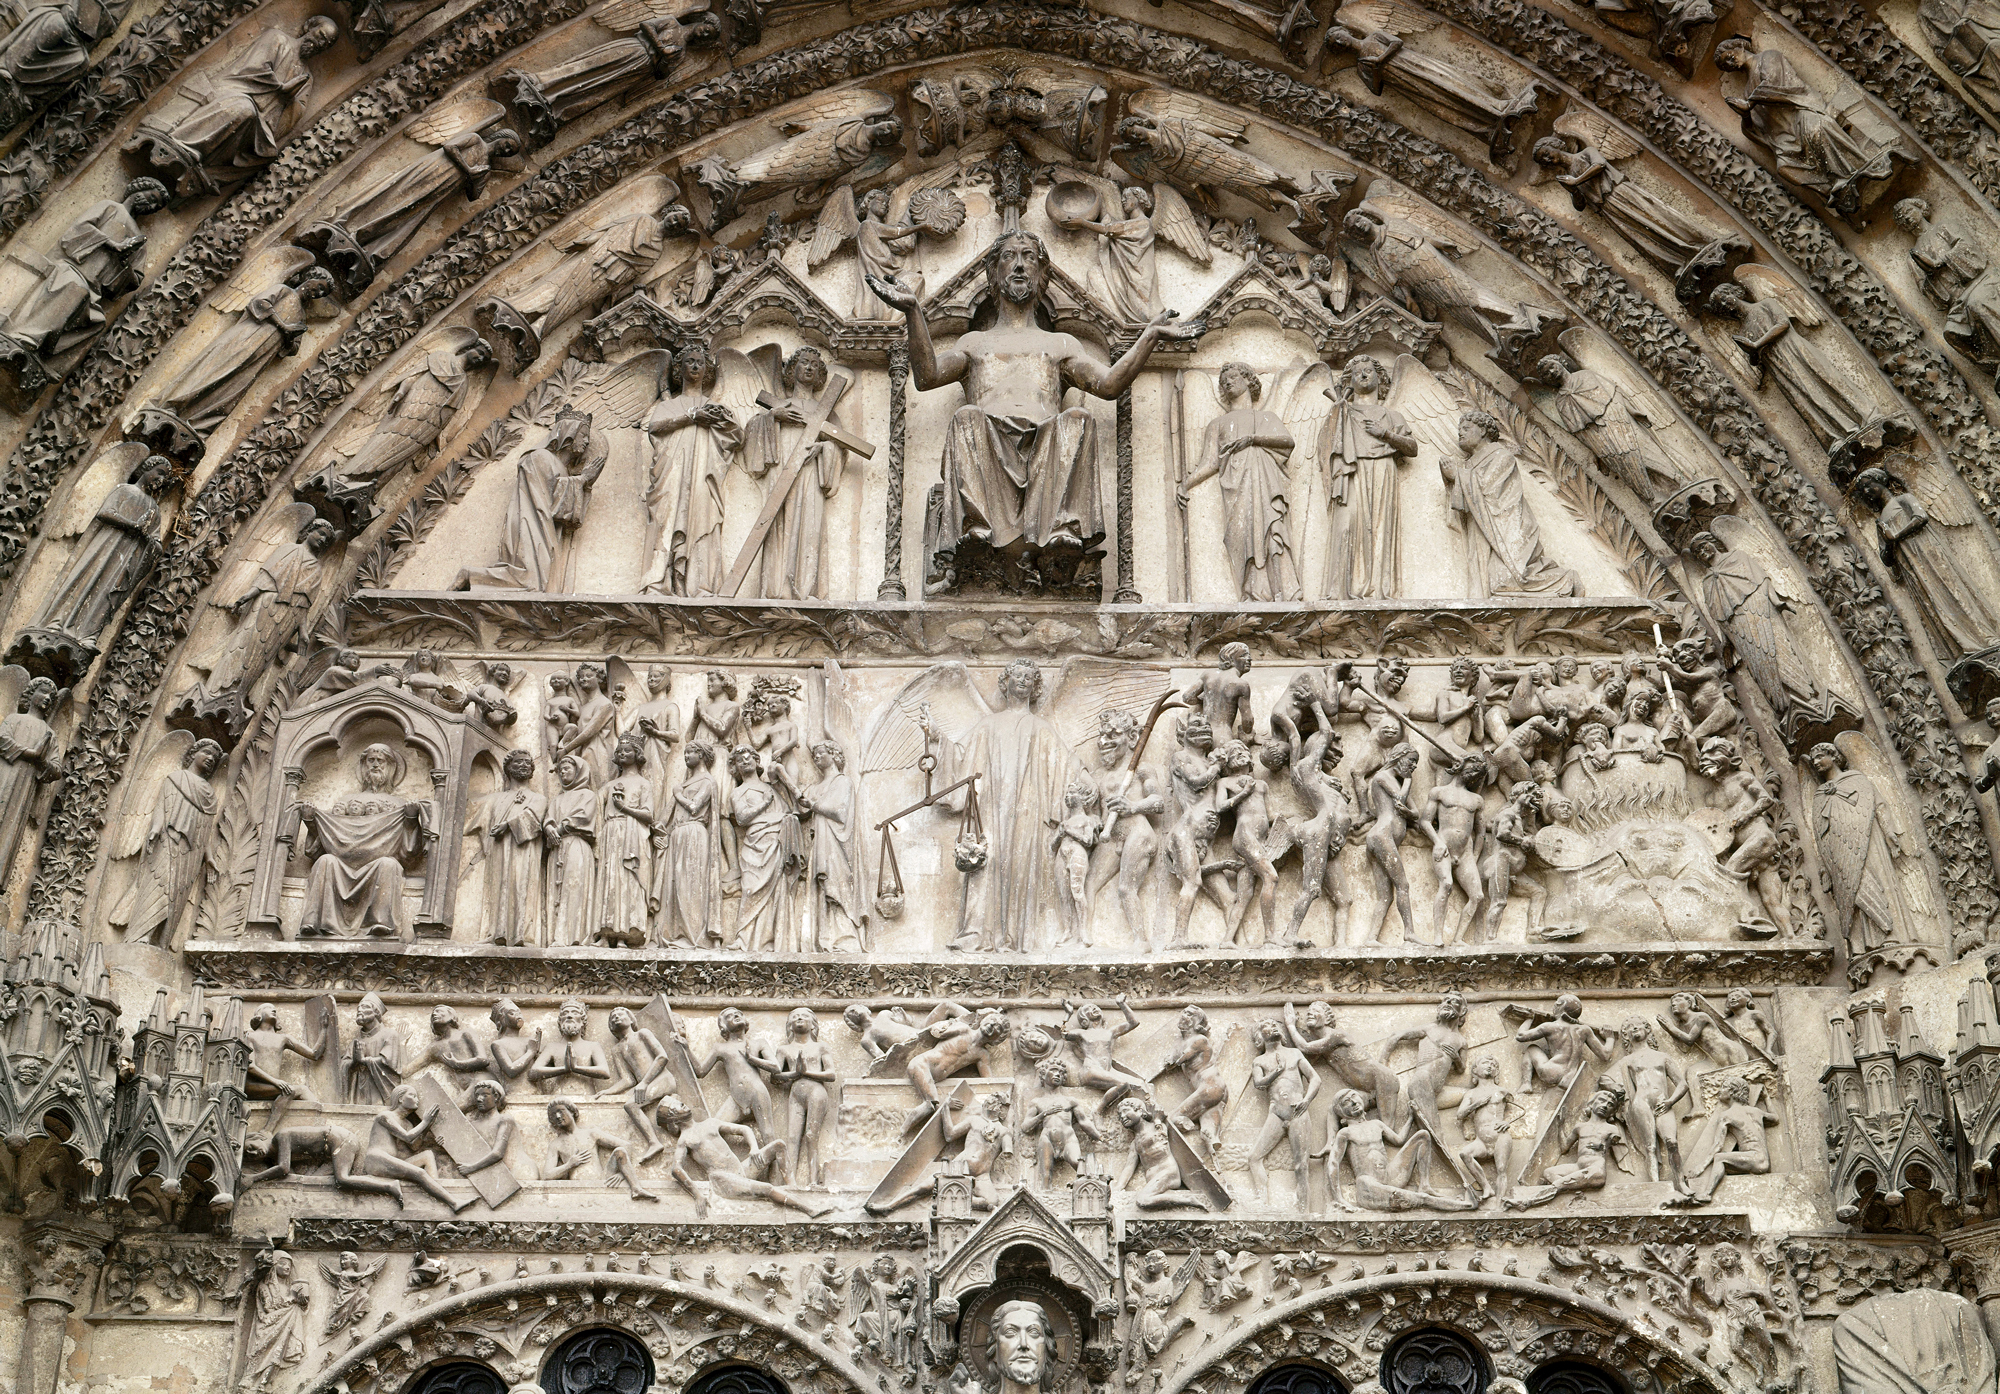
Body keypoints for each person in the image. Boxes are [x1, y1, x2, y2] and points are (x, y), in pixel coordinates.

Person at [868, 229, 1200, 592]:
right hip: (988, 450)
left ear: (1043, 275)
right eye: (1010, 257)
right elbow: (927, 376)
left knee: (1078, 419)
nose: (1021, 265)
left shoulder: (1059, 344)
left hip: (1046, 457)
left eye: (1029, 258)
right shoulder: (975, 343)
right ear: (993, 273)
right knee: (967, 418)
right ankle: (977, 529)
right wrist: (914, 312)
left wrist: (1148, 338)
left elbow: (1108, 386)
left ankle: (1061, 529)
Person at [1179, 361, 1301, 601]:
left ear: (1248, 380)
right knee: (1241, 535)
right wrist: (1186, 483)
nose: (1228, 381)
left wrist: (1253, 439)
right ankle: (1253, 591)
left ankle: (1282, 590)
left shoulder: (1266, 418)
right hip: (1236, 488)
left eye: (1234, 376)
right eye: (1224, 380)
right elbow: (1210, 462)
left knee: (1271, 532)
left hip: (1265, 483)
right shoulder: (1218, 424)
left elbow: (1287, 442)